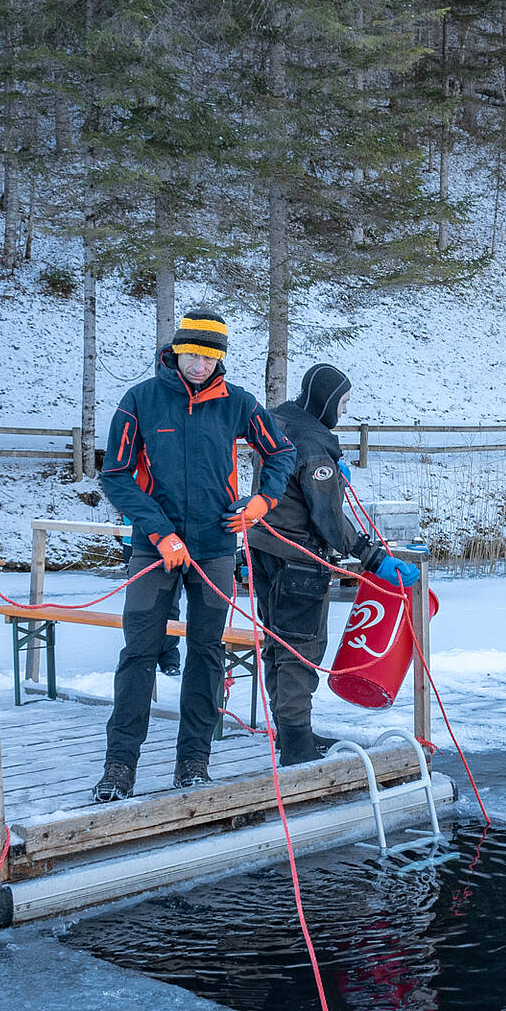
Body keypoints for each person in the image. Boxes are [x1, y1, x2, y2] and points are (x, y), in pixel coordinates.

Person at [93, 309, 296, 801]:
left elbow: (281, 453)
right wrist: (160, 532)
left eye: (210, 357)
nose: (200, 365)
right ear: (176, 351)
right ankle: (119, 766)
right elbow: (115, 473)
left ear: (220, 359)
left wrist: (261, 501)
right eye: (192, 354)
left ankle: (193, 762)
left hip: (216, 546)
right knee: (138, 652)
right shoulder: (140, 399)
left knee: (206, 653)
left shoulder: (239, 403)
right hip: (153, 548)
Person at [246, 364, 420, 766]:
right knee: (299, 649)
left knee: (277, 642)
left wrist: (328, 474)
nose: (342, 412)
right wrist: (373, 557)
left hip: (262, 549)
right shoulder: (312, 442)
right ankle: (296, 748)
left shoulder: (279, 419)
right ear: (325, 400)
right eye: (341, 403)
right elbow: (327, 518)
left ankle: (291, 733)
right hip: (298, 559)